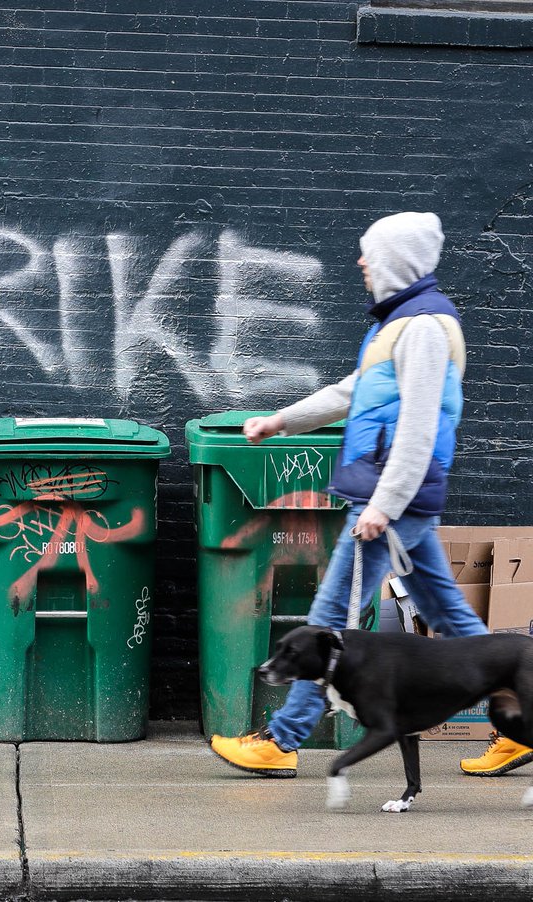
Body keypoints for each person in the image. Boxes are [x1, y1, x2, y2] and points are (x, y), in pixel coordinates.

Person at [209, 211, 533, 778]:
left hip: (395, 495)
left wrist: (384, 504)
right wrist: (281, 421)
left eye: (368, 252)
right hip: (398, 494)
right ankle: (519, 721)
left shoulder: (426, 327)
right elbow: (351, 391)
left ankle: (282, 740)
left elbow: (419, 426)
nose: (360, 261)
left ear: (394, 260)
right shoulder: (399, 325)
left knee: (329, 618)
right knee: (447, 613)